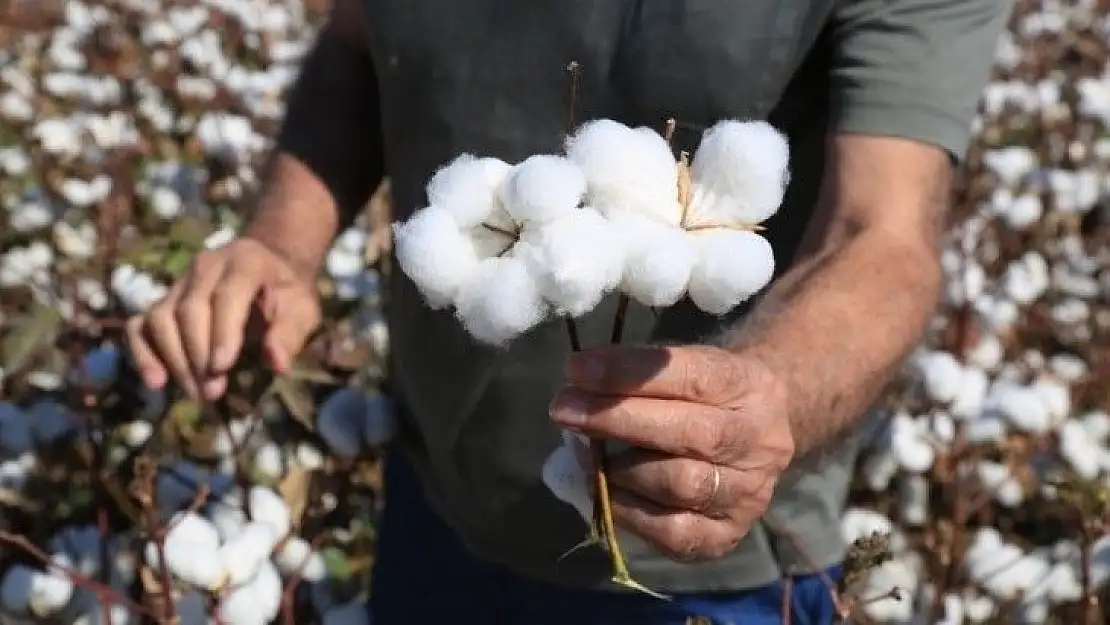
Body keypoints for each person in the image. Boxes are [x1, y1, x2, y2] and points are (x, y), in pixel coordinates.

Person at [126, 0, 1013, 623]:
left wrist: (765, 392)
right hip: (435, 504)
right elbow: (360, 41)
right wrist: (283, 242)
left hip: (706, 567)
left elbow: (882, 236)